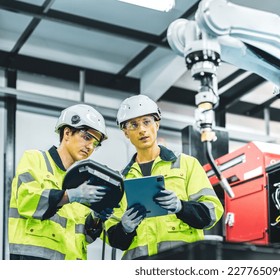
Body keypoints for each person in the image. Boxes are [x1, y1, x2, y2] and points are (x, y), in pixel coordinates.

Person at [104, 95, 224, 259]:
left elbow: (212, 213)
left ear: (157, 124)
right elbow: (114, 239)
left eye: (147, 122)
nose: (142, 130)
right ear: (126, 132)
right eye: (133, 125)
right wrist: (124, 228)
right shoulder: (119, 181)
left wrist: (181, 207)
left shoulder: (186, 164)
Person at [8, 104, 110, 260]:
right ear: (67, 133)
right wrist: (69, 196)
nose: (90, 146)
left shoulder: (82, 182)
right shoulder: (35, 159)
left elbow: (85, 237)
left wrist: (96, 218)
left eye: (95, 143)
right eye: (87, 137)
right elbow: (27, 201)